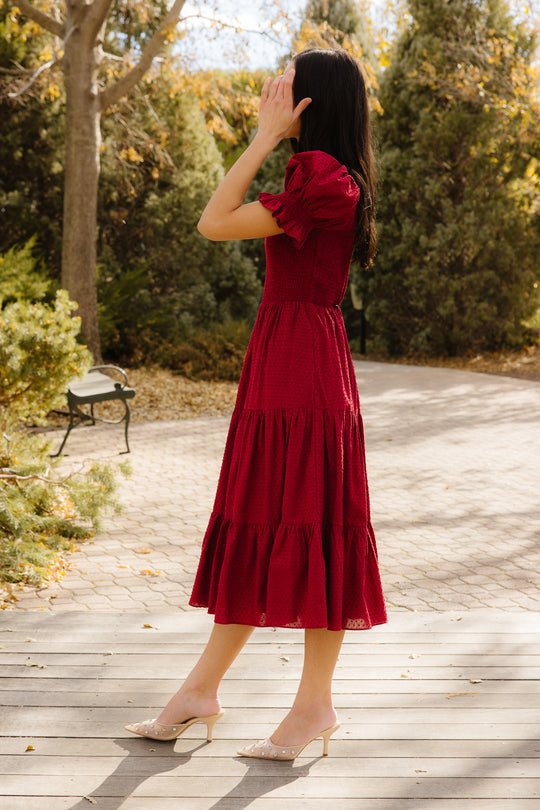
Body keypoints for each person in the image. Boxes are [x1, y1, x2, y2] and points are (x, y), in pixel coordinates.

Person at [126, 48, 387, 761]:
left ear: (313, 103)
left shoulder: (325, 179)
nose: (274, 94)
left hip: (302, 367)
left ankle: (312, 707)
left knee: (310, 525)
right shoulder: (319, 175)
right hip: (285, 359)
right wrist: (271, 143)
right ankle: (200, 691)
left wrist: (262, 138)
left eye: (288, 88)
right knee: (262, 522)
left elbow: (213, 221)